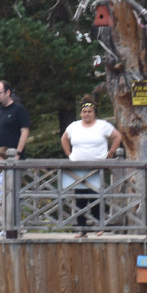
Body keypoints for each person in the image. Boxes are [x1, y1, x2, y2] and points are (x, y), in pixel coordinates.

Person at [61, 98, 122, 237]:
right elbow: (64, 138)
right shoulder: (74, 126)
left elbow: (117, 136)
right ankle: (82, 228)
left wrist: (110, 153)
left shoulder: (102, 125)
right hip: (78, 166)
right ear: (81, 113)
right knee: (80, 197)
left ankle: (99, 226)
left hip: (96, 167)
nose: (87, 114)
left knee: (96, 197)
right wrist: (68, 154)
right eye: (84, 111)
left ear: (94, 113)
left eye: (89, 111)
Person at [0, 80, 30, 159]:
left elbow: (25, 132)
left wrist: (18, 153)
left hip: (14, 158)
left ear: (8, 92)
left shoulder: (19, 109)